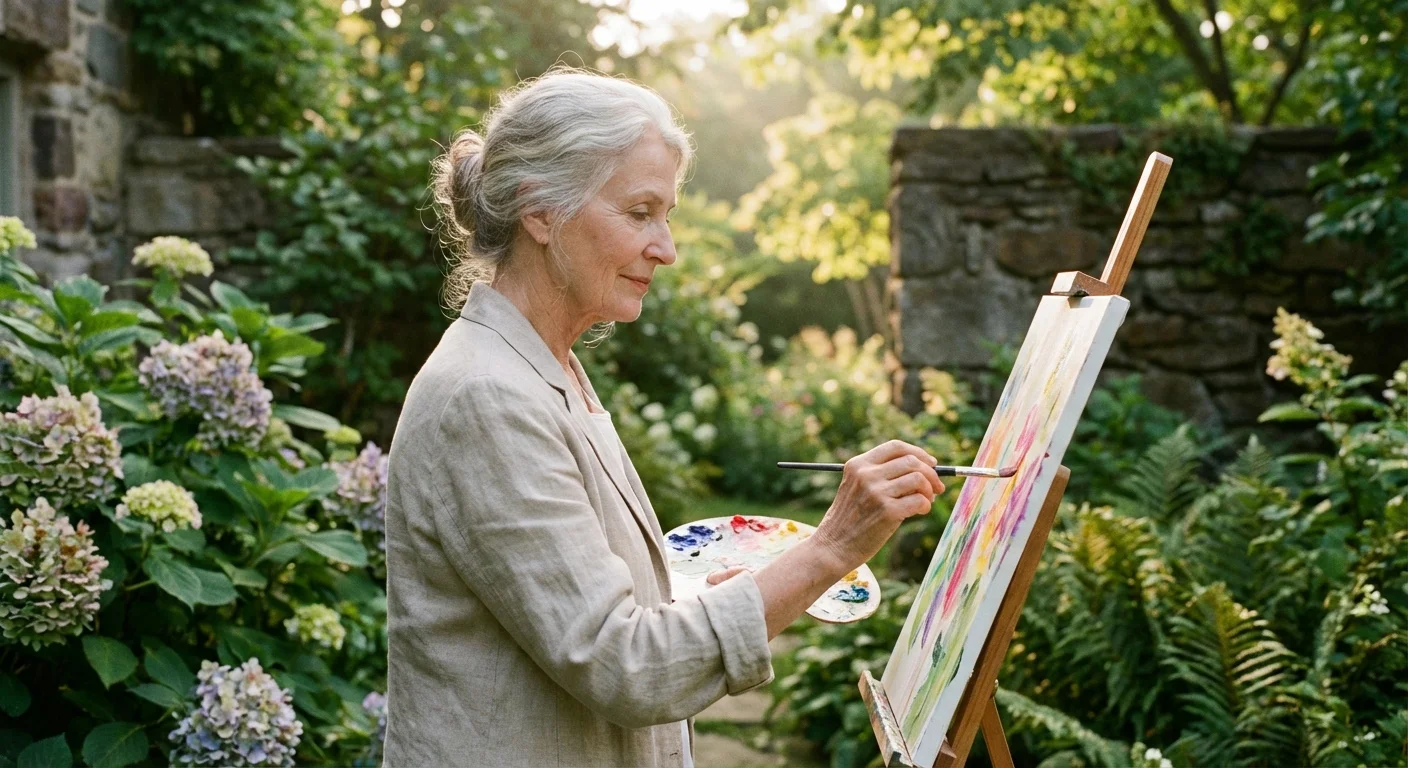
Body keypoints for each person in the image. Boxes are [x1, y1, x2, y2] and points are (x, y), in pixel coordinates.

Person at [383, 67, 947, 768]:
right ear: (540, 211)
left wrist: (726, 590)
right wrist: (830, 549)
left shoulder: (545, 367)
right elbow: (626, 664)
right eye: (639, 212)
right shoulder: (486, 396)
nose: (667, 248)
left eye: (667, 215)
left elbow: (578, 603)